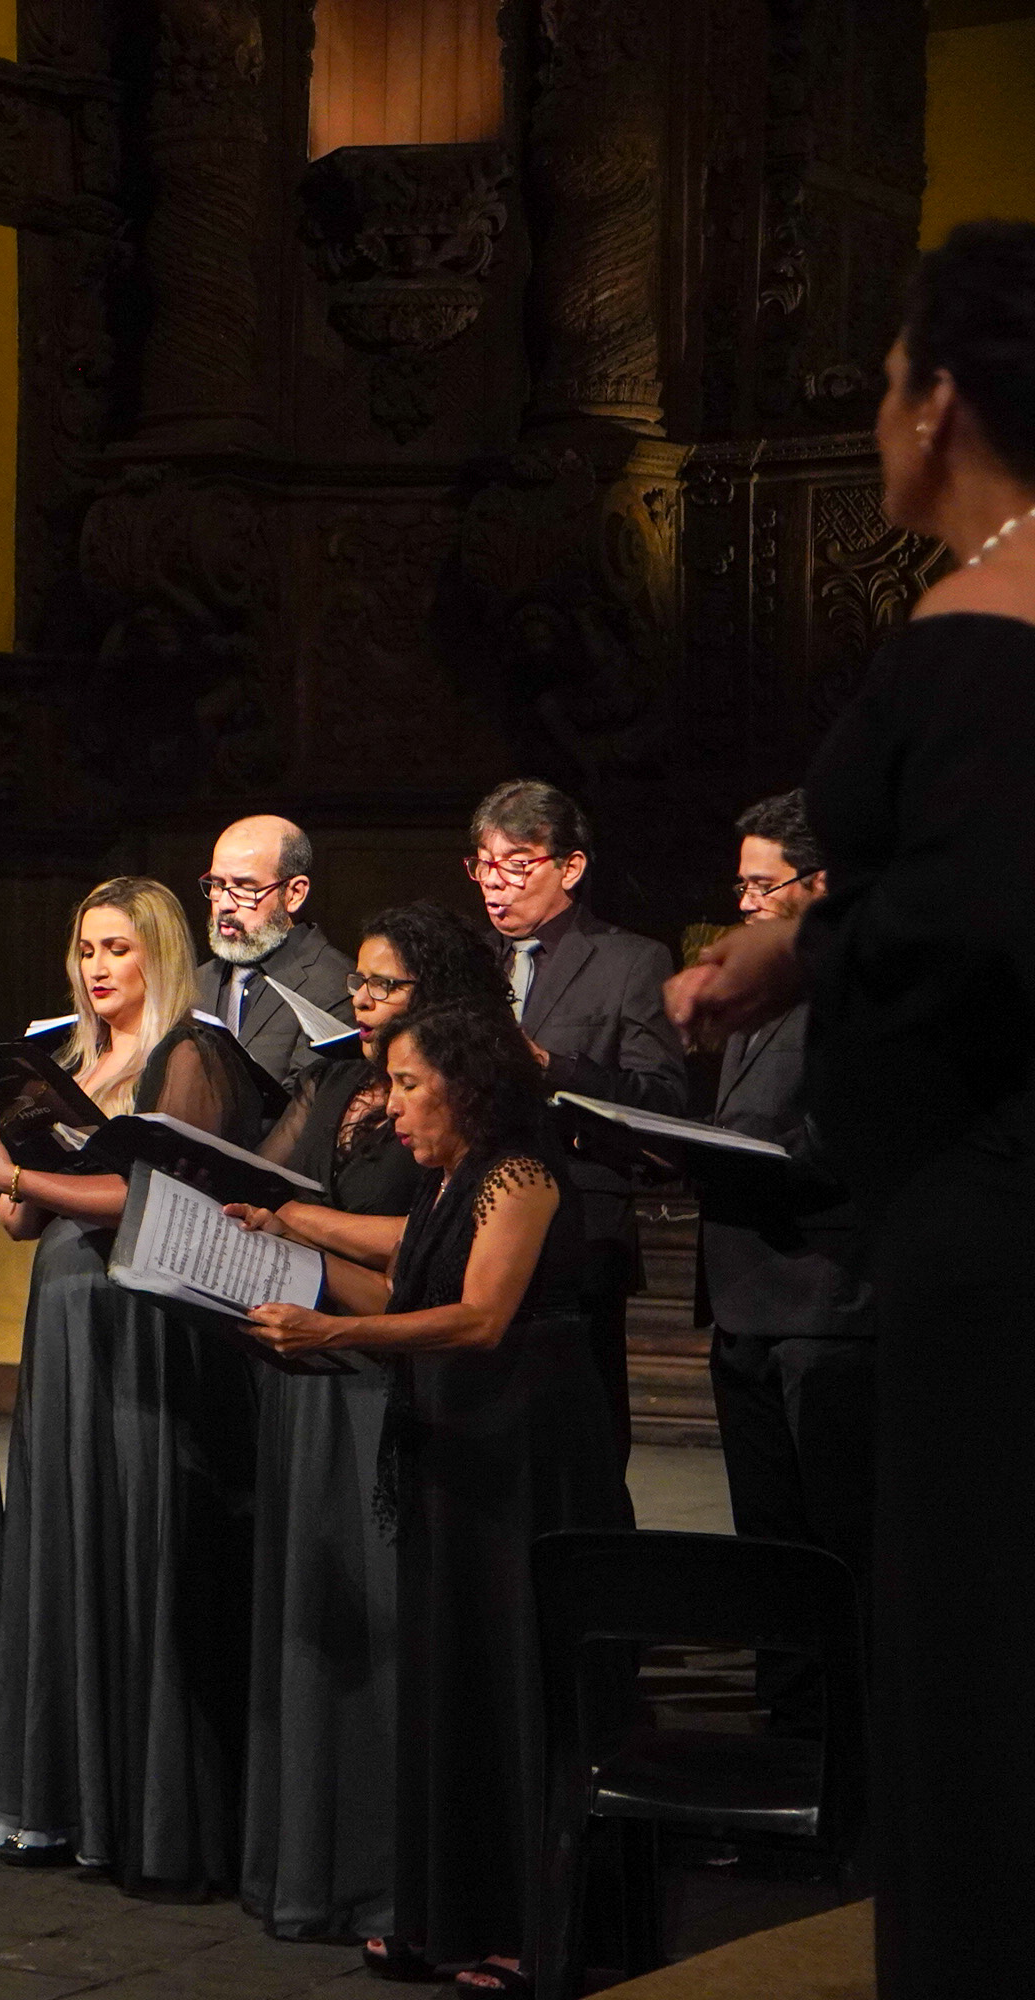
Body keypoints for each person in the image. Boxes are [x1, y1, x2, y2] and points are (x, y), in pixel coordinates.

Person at [666, 218, 1035, 2000]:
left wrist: (800, 956)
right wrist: (795, 954)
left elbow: (976, 913)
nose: (881, 413)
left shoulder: (981, 632)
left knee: (971, 1648)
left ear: (941, 397)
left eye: (887, 377)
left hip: (986, 1224)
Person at [229, 1000, 632, 1995]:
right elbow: (399, 1295)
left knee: (510, 1681)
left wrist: (327, 1336)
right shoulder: (449, 1179)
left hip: (523, 1455)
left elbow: (481, 1316)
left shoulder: (520, 1173)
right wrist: (273, 1256)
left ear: (469, 1083)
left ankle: (532, 1927)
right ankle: (447, 1912)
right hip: (455, 1450)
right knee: (448, 1679)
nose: (393, 1106)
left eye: (409, 1084)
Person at [0, 878, 266, 1890]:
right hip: (66, 1307)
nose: (95, 966)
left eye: (116, 948)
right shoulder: (72, 1059)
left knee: (137, 1535)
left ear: (157, 953)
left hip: (145, 1313)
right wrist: (2, 1162)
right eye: (84, 946)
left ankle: (150, 1802)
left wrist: (19, 1179)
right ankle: (64, 1795)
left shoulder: (190, 1052)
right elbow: (21, 1222)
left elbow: (153, 1192)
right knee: (66, 1538)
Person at [238, 901, 503, 1942]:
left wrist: (296, 1221)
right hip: (307, 1361)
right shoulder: (343, 1077)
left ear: (433, 996)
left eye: (384, 985)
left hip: (376, 1373)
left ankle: (384, 1871)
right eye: (356, 979)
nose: (360, 997)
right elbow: (275, 1176)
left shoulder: (449, 1101)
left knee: (378, 1635)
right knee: (313, 1624)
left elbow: (431, 1236)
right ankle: (304, 1863)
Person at [696, 793, 873, 1741]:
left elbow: (858, 1142)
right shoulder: (757, 988)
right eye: (742, 884)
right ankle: (788, 1737)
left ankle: (858, 1755)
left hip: (825, 1302)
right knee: (767, 1544)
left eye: (765, 885)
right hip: (745, 1297)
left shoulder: (856, 989)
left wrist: (728, 1156)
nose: (749, 903)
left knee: (838, 1548)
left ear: (821, 885)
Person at [465, 778, 686, 1460]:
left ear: (571, 866)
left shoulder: (629, 961)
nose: (495, 884)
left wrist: (552, 1065)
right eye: (482, 864)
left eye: (517, 865)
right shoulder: (471, 962)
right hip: (472, 1217)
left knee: (580, 1436)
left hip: (579, 1225)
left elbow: (664, 1100)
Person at [196, 814, 354, 1086]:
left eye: (245, 888)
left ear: (294, 894)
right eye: (218, 884)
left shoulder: (335, 984)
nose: (224, 904)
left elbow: (306, 1107)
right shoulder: (197, 982)